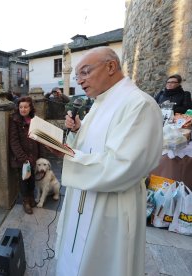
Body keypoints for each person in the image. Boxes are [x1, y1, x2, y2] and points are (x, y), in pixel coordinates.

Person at [54, 47, 163, 276]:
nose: (80, 81)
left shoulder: (139, 104)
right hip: (82, 200)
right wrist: (77, 131)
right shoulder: (99, 103)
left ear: (111, 66)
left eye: (85, 72)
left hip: (111, 207)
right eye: (77, 76)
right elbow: (91, 146)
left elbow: (124, 165)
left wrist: (65, 156)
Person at [8, 96, 42, 214]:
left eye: (25, 107)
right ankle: (25, 201)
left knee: (32, 178)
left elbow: (39, 139)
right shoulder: (15, 120)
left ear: (30, 107)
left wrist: (38, 155)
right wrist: (23, 158)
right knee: (23, 180)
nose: (23, 109)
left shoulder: (34, 120)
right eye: (21, 107)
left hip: (33, 155)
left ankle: (32, 197)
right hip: (21, 158)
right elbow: (14, 141)